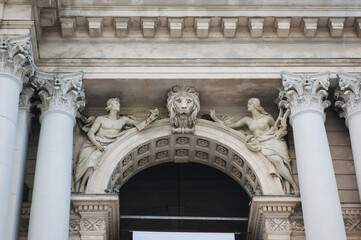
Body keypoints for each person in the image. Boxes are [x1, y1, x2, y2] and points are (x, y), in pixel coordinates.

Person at [210, 98, 299, 194]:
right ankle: (293, 184)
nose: (248, 106)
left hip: (271, 142)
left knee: (278, 160)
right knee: (276, 160)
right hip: (260, 143)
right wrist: (215, 119)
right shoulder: (246, 120)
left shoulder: (267, 118)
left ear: (256, 105)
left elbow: (277, 128)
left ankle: (293, 185)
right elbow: (230, 126)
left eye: (250, 104)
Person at [74, 98, 159, 192]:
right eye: (116, 103)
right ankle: (82, 184)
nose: (119, 105)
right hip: (96, 144)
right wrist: (98, 145)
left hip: (109, 145)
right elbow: (90, 133)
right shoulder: (101, 119)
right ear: (110, 106)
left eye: (118, 103)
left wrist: (150, 118)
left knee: (93, 159)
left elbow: (138, 125)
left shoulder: (123, 120)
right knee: (91, 160)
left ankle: (82, 185)